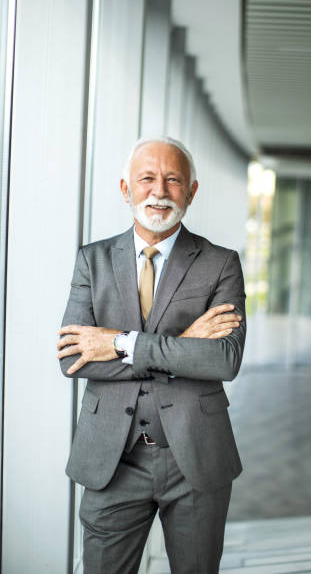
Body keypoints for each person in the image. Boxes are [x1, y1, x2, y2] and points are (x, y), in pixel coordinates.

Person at [57, 137, 246, 574]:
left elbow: (224, 360)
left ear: (191, 191)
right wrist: (185, 343)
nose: (159, 191)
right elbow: (73, 358)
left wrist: (120, 344)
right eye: (146, 179)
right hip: (112, 461)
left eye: (173, 180)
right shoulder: (93, 261)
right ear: (126, 189)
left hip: (196, 459)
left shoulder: (221, 263)